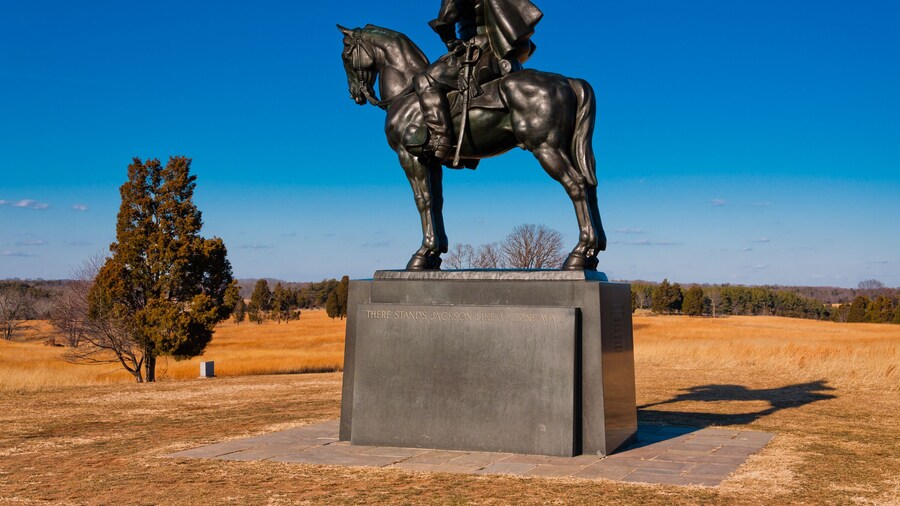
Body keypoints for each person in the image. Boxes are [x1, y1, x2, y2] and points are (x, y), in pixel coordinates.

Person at [412, 0, 542, 160]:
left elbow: (447, 16)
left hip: (479, 47)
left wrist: (450, 39)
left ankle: (441, 139)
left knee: (425, 79)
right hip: (499, 46)